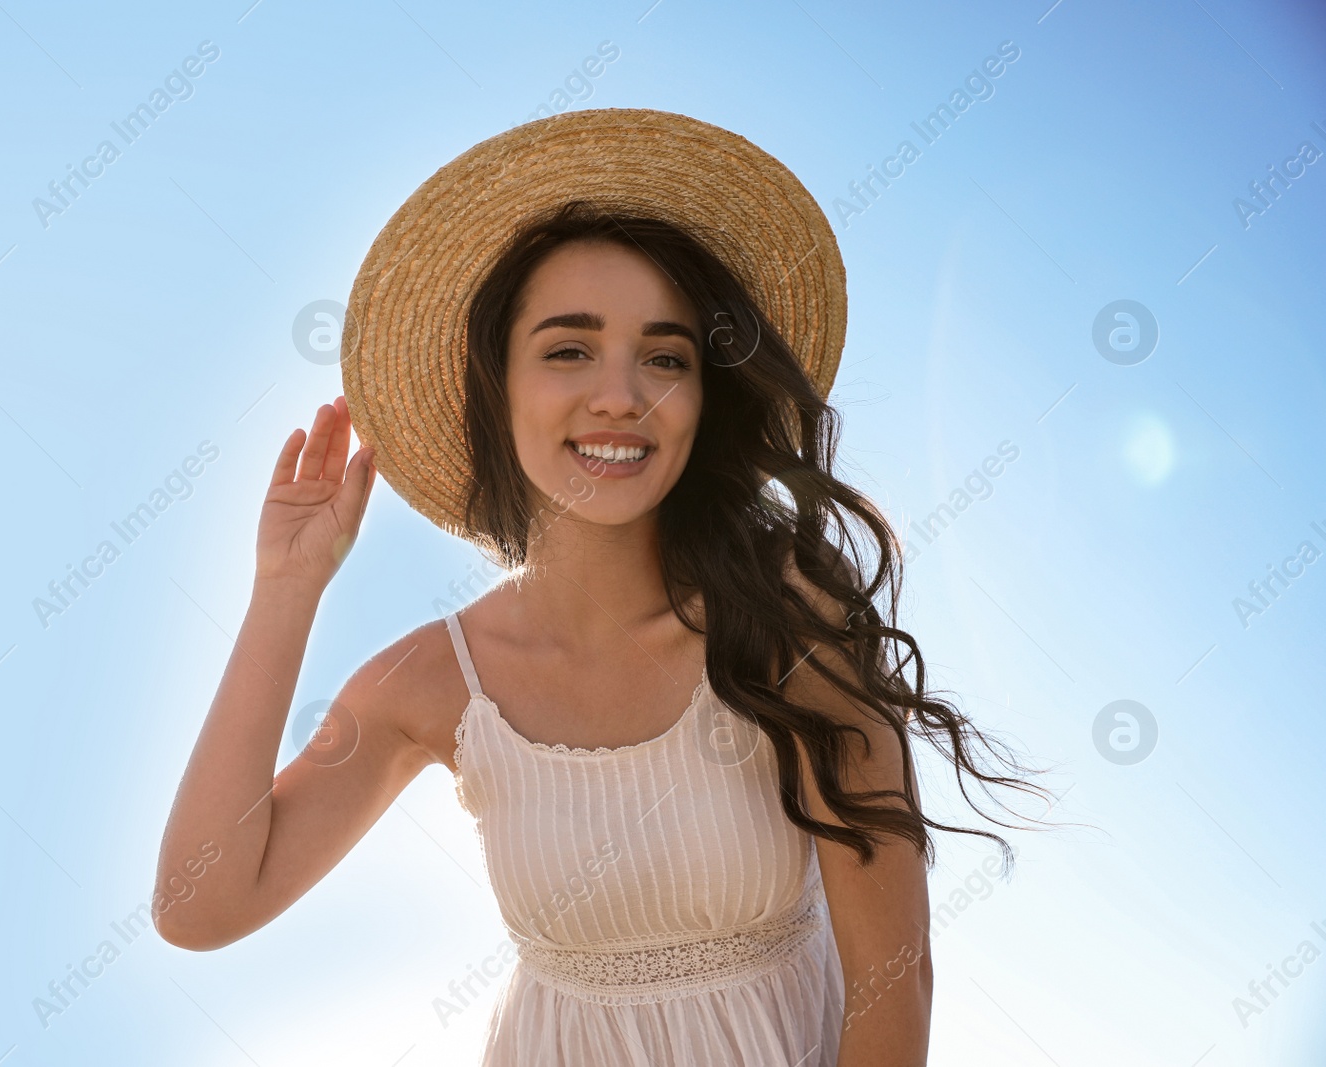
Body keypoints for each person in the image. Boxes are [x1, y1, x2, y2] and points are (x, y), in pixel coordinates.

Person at [154, 109, 1045, 1067]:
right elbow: (201, 905)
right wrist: (286, 590)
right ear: (499, 386)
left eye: (665, 357)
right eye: (569, 348)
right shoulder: (434, 682)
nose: (622, 394)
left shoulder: (790, 619)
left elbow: (892, 982)